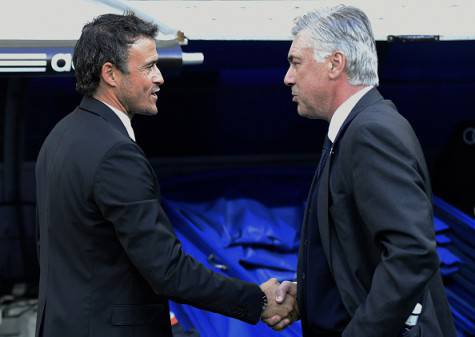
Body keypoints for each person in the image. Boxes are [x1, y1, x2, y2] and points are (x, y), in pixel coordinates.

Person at [34, 13, 293, 337]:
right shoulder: (116, 154)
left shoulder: (58, 136)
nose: (160, 78)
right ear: (110, 74)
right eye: (148, 67)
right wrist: (258, 300)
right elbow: (167, 269)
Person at [269, 5, 457, 337]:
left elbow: (411, 253)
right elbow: (357, 253)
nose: (287, 77)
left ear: (335, 63)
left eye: (296, 62)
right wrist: (312, 293)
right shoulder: (354, 130)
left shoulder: (371, 133)